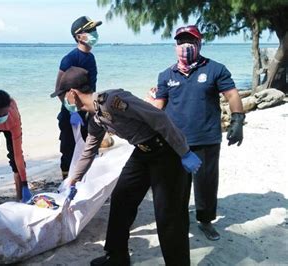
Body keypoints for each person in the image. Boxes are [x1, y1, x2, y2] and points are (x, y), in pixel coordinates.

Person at [54, 67, 202, 265]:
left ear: (73, 93)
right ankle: (117, 257)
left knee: (168, 216)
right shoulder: (96, 117)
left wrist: (184, 152)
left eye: (63, 96)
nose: (63, 101)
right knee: (121, 201)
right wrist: (73, 179)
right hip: (142, 153)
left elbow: (159, 118)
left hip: (166, 152)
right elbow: (89, 150)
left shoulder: (112, 100)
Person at [149, 25, 245, 241]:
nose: (185, 46)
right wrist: (145, 124)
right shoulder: (166, 75)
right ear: (175, 45)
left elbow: (231, 95)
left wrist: (238, 120)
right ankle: (179, 219)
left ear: (199, 43)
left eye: (190, 41)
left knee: (206, 183)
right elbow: (158, 106)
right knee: (175, 184)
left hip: (206, 138)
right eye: (181, 41)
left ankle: (205, 220)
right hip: (175, 140)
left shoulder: (215, 69)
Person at [51, 16, 101, 179]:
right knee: (69, 150)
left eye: (95, 30)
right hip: (70, 113)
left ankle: (88, 182)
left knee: (90, 148)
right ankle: (66, 184)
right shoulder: (70, 59)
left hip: (88, 110)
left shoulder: (91, 57)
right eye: (90, 31)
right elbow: (59, 89)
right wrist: (71, 111)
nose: (94, 33)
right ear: (79, 36)